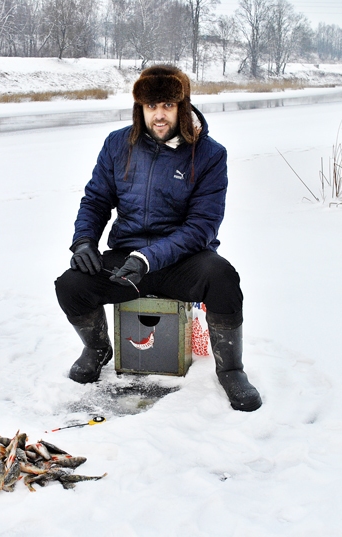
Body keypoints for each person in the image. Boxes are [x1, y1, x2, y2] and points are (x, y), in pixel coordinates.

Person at [54, 65, 262, 412]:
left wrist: (147, 258)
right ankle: (97, 349)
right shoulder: (118, 144)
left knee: (222, 277)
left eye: (167, 105)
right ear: (140, 108)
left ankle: (230, 369)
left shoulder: (210, 155)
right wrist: (84, 241)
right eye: (151, 107)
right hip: (128, 258)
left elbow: (202, 226)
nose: (159, 115)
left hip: (184, 260)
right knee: (71, 285)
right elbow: (96, 200)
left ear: (182, 106)